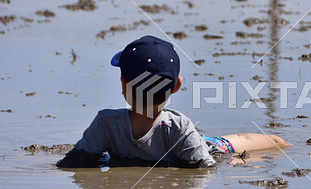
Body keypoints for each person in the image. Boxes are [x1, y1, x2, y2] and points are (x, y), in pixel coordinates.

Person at [56, 35, 291, 169]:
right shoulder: (179, 128)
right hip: (185, 145)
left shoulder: (106, 123)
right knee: (252, 139)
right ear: (177, 86)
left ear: (123, 85)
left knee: (254, 144)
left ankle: (282, 143)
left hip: (202, 146)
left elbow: (205, 167)